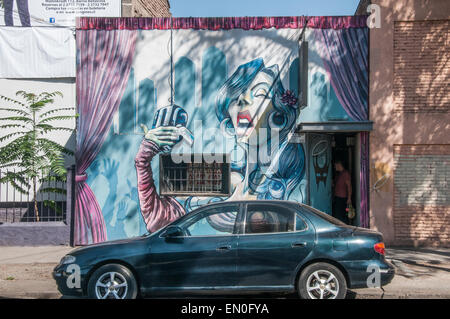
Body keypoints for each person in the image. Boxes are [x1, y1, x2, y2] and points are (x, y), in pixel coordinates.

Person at [333, 160, 352, 224]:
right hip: (337, 197)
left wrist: (349, 198)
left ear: (339, 164)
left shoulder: (345, 173)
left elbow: (349, 186)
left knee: (342, 216)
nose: (334, 167)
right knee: (337, 215)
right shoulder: (339, 174)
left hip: (343, 198)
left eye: (335, 165)